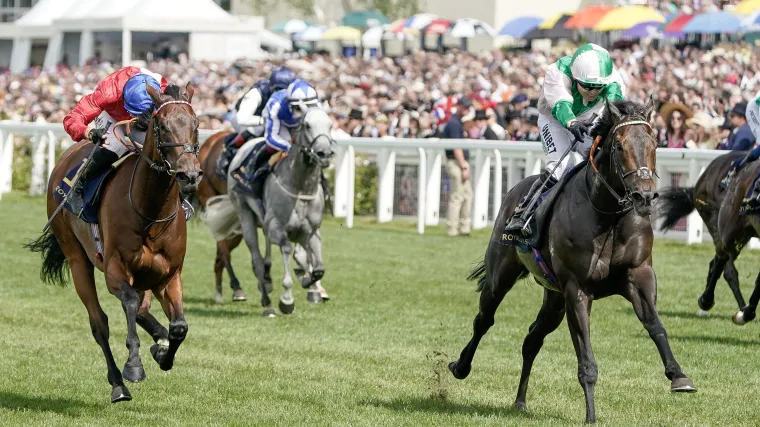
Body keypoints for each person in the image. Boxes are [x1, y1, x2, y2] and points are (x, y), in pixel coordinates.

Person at [505, 43, 626, 235]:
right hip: (554, 120)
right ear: (576, 77)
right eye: (587, 86)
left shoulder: (613, 79)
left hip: (587, 120)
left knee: (602, 160)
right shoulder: (557, 72)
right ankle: (523, 213)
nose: (593, 92)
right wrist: (571, 124)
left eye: (598, 87)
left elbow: (616, 106)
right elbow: (561, 106)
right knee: (559, 167)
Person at [62, 66, 198, 219]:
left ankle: (180, 196)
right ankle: (77, 187)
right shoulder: (107, 93)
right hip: (112, 115)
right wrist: (88, 132)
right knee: (115, 146)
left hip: (152, 112)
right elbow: (72, 118)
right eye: (138, 114)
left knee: (163, 144)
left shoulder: (162, 86)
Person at [241, 79, 322, 207]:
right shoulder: (276, 104)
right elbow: (271, 137)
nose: (301, 112)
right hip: (281, 124)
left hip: (301, 126)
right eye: (297, 108)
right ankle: (256, 173)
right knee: (277, 149)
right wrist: (289, 147)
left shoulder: (316, 104)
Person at [217, 66, 296, 176]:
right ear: (271, 86)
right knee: (259, 129)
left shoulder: (295, 94)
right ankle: (229, 150)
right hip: (244, 117)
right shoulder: (257, 93)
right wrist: (265, 120)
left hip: (266, 118)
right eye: (278, 90)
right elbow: (242, 118)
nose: (281, 94)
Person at [441, 96, 476, 237]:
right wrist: (463, 166)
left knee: (467, 195)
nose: (467, 110)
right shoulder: (454, 123)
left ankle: (464, 227)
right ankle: (453, 228)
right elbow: (456, 147)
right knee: (457, 196)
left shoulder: (457, 123)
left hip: (458, 162)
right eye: (465, 107)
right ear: (460, 106)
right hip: (456, 162)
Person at [721, 99, 760, 205]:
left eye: (732, 116)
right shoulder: (744, 129)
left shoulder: (745, 131)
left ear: (741, 117)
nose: (730, 118)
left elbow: (735, 151)